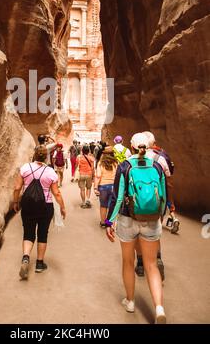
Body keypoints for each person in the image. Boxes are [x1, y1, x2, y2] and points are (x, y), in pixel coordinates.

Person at [105, 132, 167, 324]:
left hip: (127, 218)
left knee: (127, 261)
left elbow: (118, 196)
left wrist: (109, 221)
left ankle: (130, 301)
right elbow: (164, 195)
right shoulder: (156, 166)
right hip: (151, 219)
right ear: (148, 147)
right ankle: (158, 308)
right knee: (151, 265)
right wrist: (160, 217)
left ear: (131, 147)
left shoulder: (125, 166)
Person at [13, 145, 66, 280]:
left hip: (28, 204)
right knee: (42, 233)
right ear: (46, 157)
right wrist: (62, 207)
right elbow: (57, 193)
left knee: (28, 232)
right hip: (45, 206)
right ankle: (39, 264)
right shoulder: (50, 172)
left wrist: (15, 202)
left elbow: (17, 187)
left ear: (35, 155)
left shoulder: (25, 168)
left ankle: (26, 258)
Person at [134, 131, 176, 279]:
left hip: (137, 203)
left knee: (138, 233)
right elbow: (168, 182)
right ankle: (157, 258)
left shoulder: (131, 159)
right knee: (154, 231)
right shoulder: (160, 159)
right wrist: (169, 205)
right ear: (153, 143)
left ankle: (140, 263)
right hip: (157, 203)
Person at [94, 147, 118, 227]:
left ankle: (103, 222)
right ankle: (109, 223)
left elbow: (98, 176)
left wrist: (95, 188)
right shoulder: (116, 163)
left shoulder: (101, 163)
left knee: (103, 205)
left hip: (103, 186)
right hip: (113, 186)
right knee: (111, 205)